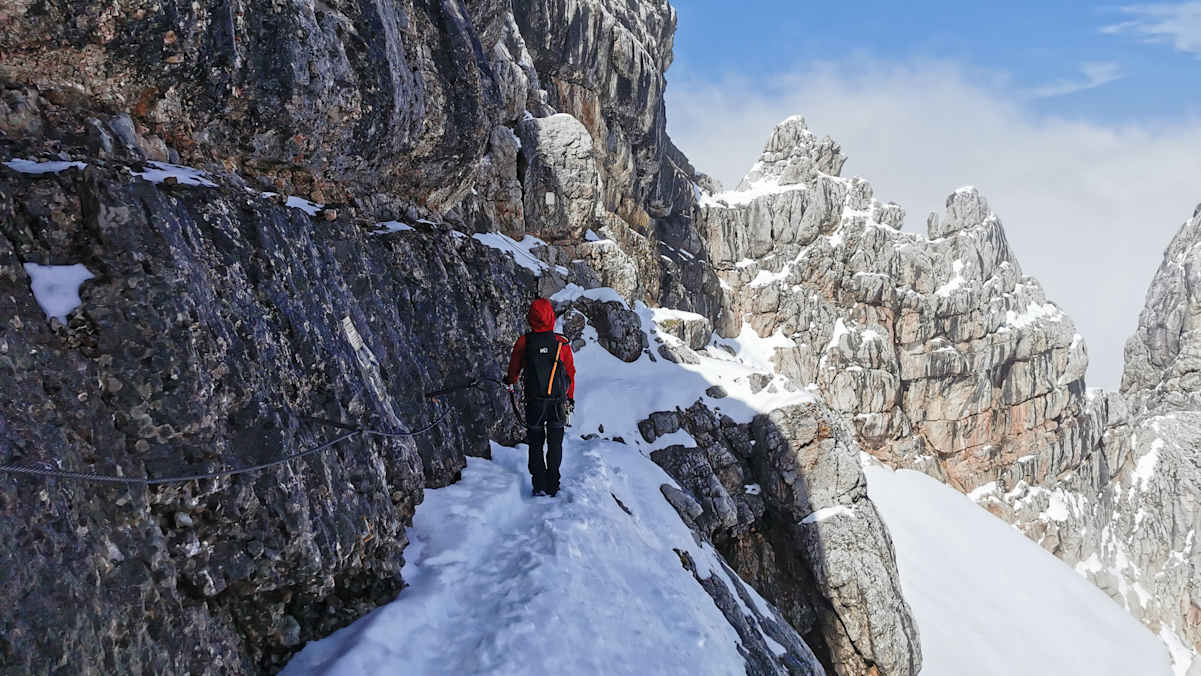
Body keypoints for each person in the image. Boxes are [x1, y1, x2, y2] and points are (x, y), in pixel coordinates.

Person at [505, 298, 575, 497]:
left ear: (530, 318)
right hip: (557, 403)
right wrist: (569, 398)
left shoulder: (524, 342)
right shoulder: (561, 344)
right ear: (551, 317)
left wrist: (510, 380)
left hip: (534, 402)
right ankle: (553, 484)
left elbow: (514, 370)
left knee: (535, 443)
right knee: (555, 444)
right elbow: (570, 373)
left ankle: (539, 485)